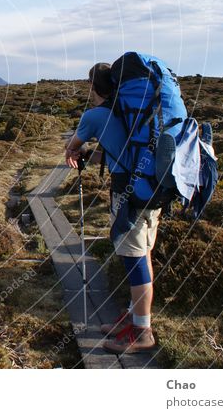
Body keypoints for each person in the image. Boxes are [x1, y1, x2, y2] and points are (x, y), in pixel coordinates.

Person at [64, 62, 159, 354]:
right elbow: (119, 148)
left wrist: (75, 150)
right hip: (150, 188)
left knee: (134, 260)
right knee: (143, 254)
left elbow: (71, 146)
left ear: (93, 86)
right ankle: (133, 316)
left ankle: (143, 331)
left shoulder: (94, 115)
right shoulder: (128, 112)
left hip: (127, 194)